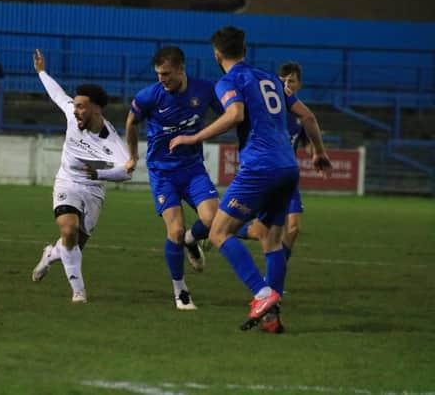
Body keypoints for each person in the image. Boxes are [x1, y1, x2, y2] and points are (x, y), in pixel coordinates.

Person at [169, 26, 331, 332]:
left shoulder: (229, 80)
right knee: (272, 239)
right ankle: (272, 318)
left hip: (260, 167)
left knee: (218, 232)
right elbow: (308, 116)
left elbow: (235, 115)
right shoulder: (271, 78)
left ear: (217, 54)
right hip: (288, 167)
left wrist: (194, 137)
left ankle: (262, 294)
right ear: (245, 49)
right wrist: (319, 152)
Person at [30, 49, 134, 303]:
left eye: (80, 107)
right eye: (74, 105)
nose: (74, 110)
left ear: (96, 110)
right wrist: (42, 71)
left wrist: (101, 173)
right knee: (69, 230)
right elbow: (57, 95)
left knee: (74, 243)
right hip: (67, 181)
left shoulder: (112, 142)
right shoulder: (71, 114)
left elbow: (126, 172)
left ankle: (50, 254)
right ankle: (78, 292)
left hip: (94, 189)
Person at [125, 46, 223, 311]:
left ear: (181, 69)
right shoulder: (149, 96)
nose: (162, 79)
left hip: (193, 169)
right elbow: (131, 121)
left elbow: (229, 115)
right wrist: (133, 156)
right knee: (175, 230)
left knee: (213, 220)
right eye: (158, 74)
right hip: (162, 173)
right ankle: (180, 290)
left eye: (166, 73)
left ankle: (193, 239)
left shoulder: (204, 90)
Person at [237, 62, 307, 260]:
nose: (286, 83)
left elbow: (305, 142)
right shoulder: (271, 112)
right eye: (282, 80)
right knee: (261, 230)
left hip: (287, 176)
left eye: (291, 81)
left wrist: (318, 152)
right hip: (264, 174)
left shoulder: (299, 115)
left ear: (299, 85)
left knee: (292, 229)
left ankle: (275, 276)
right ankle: (225, 230)